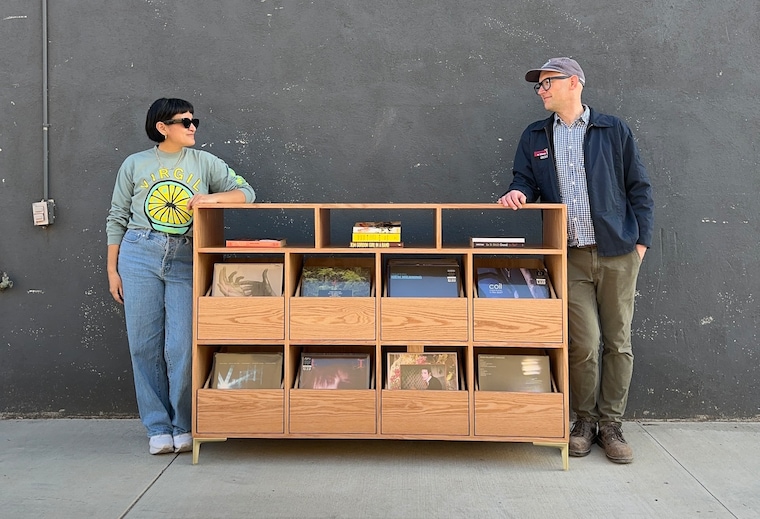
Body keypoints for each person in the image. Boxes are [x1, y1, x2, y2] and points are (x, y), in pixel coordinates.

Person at [498, 58, 654, 464]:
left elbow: (639, 187)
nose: (541, 90)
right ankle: (584, 421)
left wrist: (642, 244)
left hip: (618, 253)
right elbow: (524, 180)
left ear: (573, 83)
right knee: (582, 343)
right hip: (569, 256)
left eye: (547, 82)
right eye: (538, 85)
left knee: (618, 342)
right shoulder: (536, 135)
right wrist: (517, 192)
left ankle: (611, 425)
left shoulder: (612, 130)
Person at [106, 98, 256, 455]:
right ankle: (157, 427)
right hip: (138, 252)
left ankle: (183, 423)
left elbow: (246, 194)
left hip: (187, 256)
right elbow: (117, 217)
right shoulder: (135, 164)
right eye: (184, 121)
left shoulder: (204, 162)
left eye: (194, 121)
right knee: (143, 345)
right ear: (162, 127)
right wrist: (112, 270)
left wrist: (211, 200)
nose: (192, 127)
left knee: (182, 346)